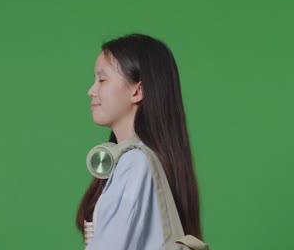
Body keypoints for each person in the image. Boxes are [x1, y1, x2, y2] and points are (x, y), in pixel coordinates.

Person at [76, 33, 204, 249]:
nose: (91, 90)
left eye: (102, 80)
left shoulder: (135, 162)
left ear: (137, 91)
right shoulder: (144, 160)